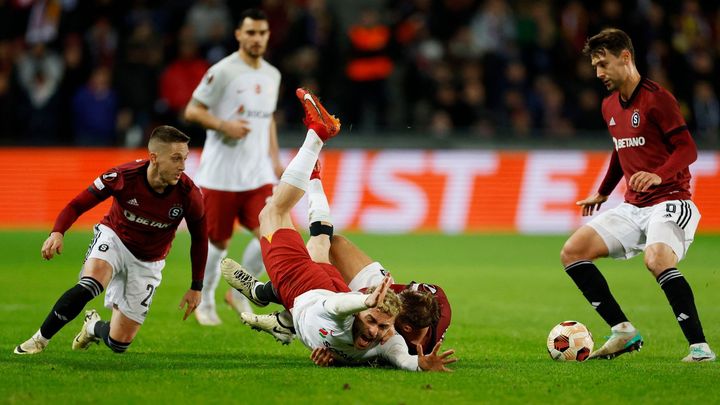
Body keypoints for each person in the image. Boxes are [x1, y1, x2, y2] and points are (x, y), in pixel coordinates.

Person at [222, 87, 455, 371]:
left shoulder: (387, 335)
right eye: (374, 322)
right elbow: (341, 309)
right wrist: (363, 300)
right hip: (311, 289)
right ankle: (317, 136)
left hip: (328, 291)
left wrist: (417, 364)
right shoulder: (355, 316)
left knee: (318, 243)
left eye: (381, 326)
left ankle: (271, 302)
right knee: (279, 215)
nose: (375, 333)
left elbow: (398, 356)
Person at [560, 28, 715, 362]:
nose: (598, 73)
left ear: (625, 57)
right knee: (572, 252)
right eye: (594, 66)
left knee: (657, 260)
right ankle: (623, 331)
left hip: (672, 200)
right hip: (633, 205)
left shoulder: (658, 98)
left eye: (603, 64)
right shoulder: (609, 106)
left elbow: (687, 149)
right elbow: (621, 150)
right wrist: (602, 191)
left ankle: (699, 348)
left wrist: (659, 174)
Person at [14, 125, 207, 355]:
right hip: (115, 239)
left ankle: (93, 326)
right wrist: (57, 232)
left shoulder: (189, 194)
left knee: (119, 343)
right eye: (176, 159)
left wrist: (196, 286)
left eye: (184, 159)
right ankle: (39, 340)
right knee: (90, 285)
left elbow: (200, 238)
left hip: (149, 260)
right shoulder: (122, 177)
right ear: (154, 157)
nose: (183, 166)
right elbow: (77, 204)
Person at [239, 160, 452, 356]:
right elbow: (351, 302)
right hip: (362, 293)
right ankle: (280, 306)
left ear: (403, 327)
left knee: (316, 252)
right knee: (333, 246)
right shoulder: (427, 306)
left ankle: (281, 311)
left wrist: (331, 356)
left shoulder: (405, 348)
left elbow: (356, 354)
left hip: (341, 304)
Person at [184, 8, 283, 325]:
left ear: (268, 36)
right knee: (218, 243)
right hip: (221, 175)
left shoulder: (272, 75)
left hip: (257, 174)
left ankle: (241, 290)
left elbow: (267, 120)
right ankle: (206, 296)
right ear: (239, 34)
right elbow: (192, 110)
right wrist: (223, 125)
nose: (257, 38)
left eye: (262, 33)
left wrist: (276, 159)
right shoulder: (223, 71)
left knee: (274, 233)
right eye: (251, 32)